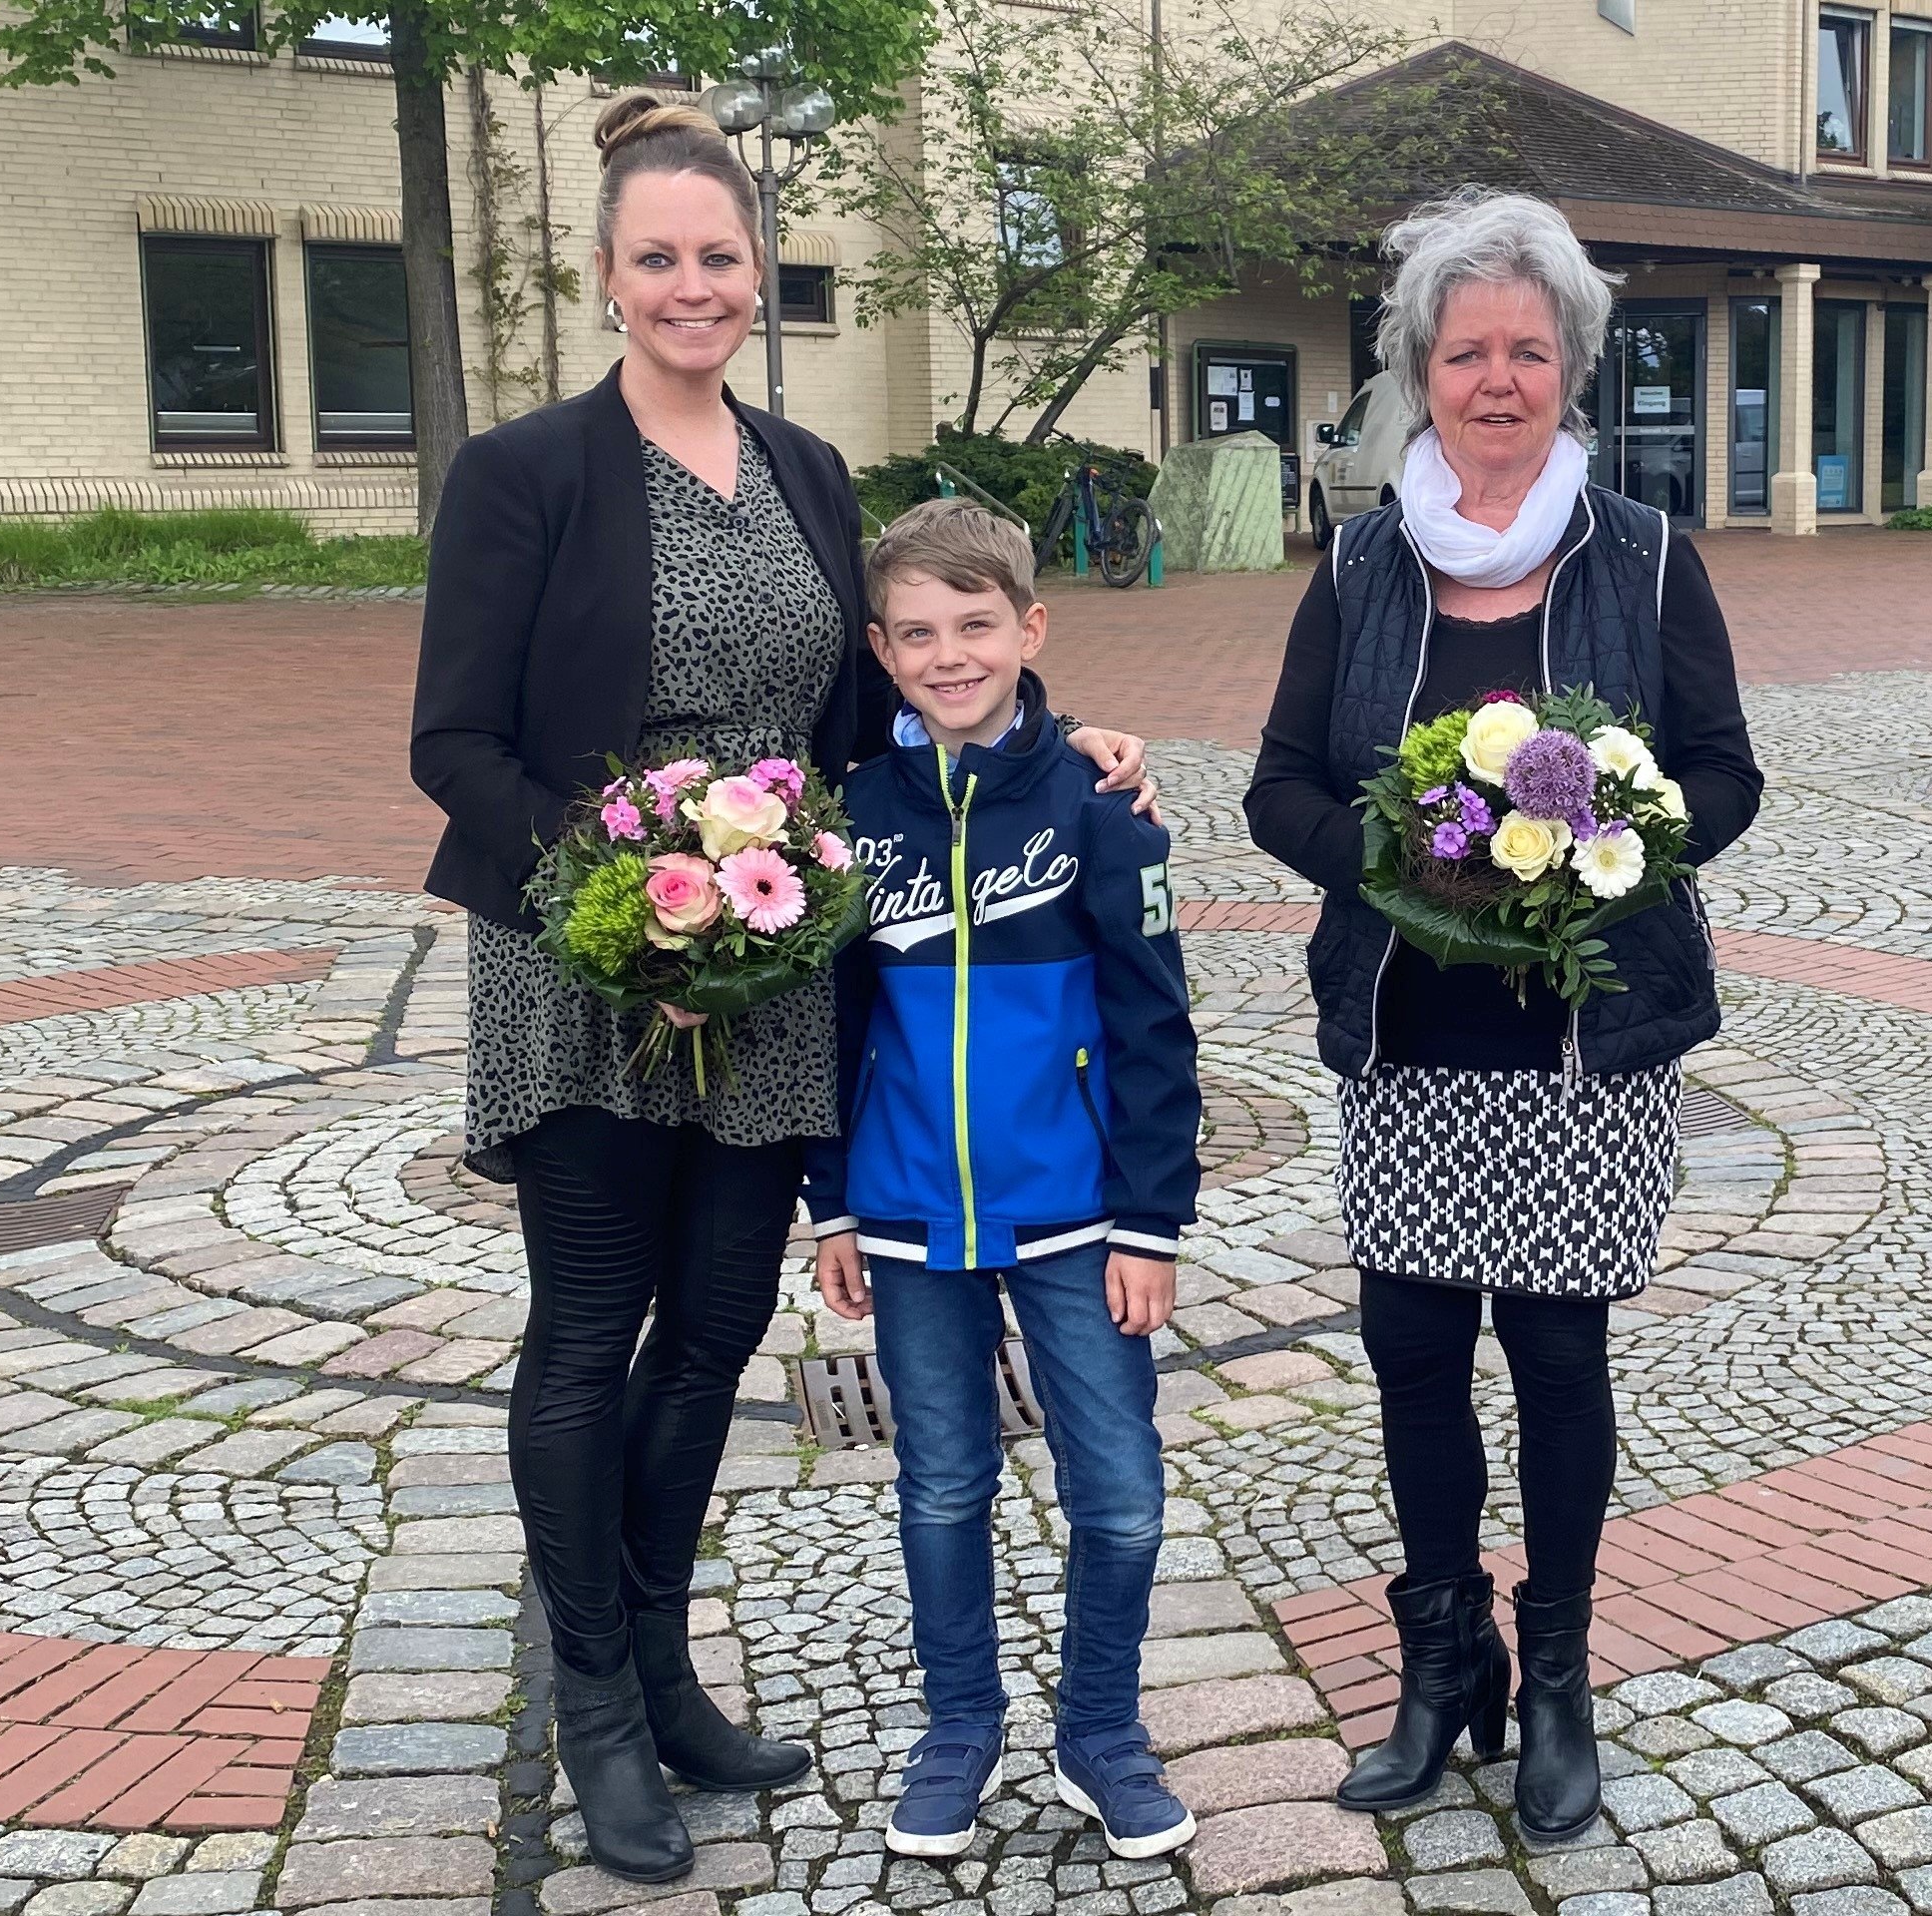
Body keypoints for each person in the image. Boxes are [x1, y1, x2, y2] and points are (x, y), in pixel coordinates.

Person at [407, 98, 1152, 1884]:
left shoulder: (808, 471)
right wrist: (623, 915)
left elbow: (882, 700)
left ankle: (667, 1670)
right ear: (605, 276)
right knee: (592, 1331)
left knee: (717, 1329)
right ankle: (596, 1703)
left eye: (721, 257)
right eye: (657, 258)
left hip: (766, 960)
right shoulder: (526, 473)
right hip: (587, 970)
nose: (694, 285)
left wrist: (1058, 746)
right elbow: (456, 745)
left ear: (757, 274)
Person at [1243, 188, 1764, 1845]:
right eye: (1466, 352)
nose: (1496, 380)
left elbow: (1725, 773)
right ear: (1420, 370)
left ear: (1572, 369)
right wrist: (1407, 867)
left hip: (1580, 1045)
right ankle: (1440, 1659)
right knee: (1410, 1356)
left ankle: (1556, 1684)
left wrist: (1617, 847)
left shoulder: (1646, 558)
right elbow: (1277, 786)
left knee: (1553, 1359)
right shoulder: (1365, 565)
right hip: (1409, 1037)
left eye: (1528, 352)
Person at [803, 498, 1207, 1864]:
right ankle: (959, 1730)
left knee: (1122, 1494)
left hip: (1081, 1218)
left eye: (975, 626)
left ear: (1030, 629)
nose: (949, 655)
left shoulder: (1100, 806)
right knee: (940, 1487)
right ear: (881, 648)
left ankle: (1101, 1732)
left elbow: (1155, 1024)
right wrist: (833, 1201)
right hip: (907, 1211)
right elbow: (829, 1024)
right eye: (917, 633)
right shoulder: (852, 818)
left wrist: (1151, 1221)